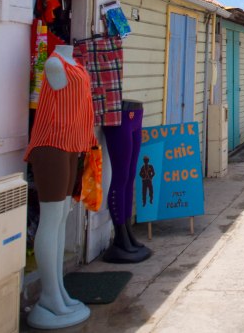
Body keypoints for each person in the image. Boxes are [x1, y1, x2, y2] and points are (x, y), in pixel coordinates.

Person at [24, 45, 93, 329]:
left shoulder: (73, 63)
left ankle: (58, 291)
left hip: (71, 145)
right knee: (51, 219)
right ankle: (50, 296)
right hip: (51, 144)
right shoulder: (55, 63)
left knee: (62, 216)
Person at [102, 100, 151, 263]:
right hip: (116, 113)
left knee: (130, 176)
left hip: (134, 113)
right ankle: (120, 233)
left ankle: (127, 230)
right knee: (121, 176)